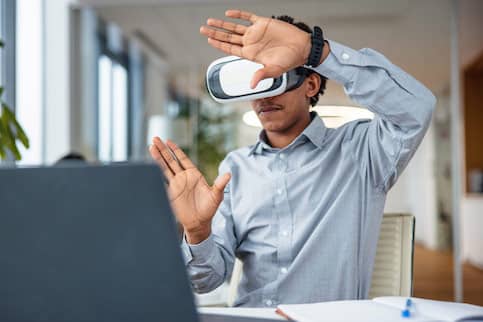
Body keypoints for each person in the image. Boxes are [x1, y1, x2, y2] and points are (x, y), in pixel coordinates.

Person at [149, 10, 436, 307]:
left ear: (310, 85)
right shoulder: (235, 168)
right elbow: (207, 281)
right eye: (255, 80)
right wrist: (197, 232)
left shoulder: (362, 151)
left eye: (274, 77)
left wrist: (316, 51)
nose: (263, 93)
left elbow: (417, 109)